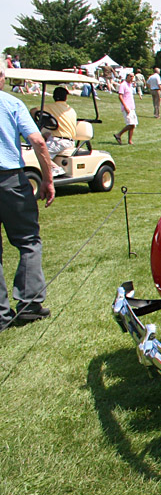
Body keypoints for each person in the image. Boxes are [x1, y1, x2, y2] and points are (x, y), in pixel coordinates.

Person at [0, 63, 55, 330]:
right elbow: (38, 141)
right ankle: (29, 303)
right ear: (2, 77)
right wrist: (47, 178)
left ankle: (1, 313)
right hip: (9, 179)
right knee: (28, 241)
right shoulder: (11, 103)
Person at [29, 86, 77, 177]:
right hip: (68, 140)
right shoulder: (71, 110)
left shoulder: (50, 107)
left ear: (54, 97)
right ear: (65, 97)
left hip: (60, 141)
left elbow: (33, 111)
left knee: (38, 152)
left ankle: (56, 168)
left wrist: (35, 122)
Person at [113, 73, 137, 145]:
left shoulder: (130, 85)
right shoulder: (123, 84)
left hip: (132, 107)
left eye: (133, 76)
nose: (132, 78)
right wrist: (125, 106)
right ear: (127, 77)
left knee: (134, 124)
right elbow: (120, 96)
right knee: (131, 124)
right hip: (126, 107)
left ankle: (130, 140)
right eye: (130, 76)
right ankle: (118, 134)